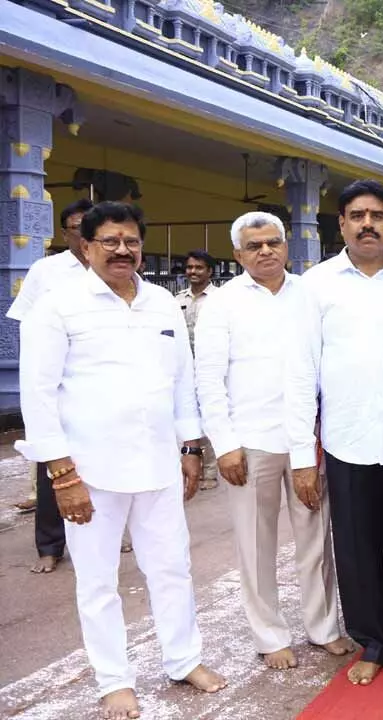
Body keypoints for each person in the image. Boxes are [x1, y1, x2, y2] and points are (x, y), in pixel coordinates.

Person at [16, 201, 226, 719]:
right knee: (97, 580)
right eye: (109, 241)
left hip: (157, 464)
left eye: (131, 240)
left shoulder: (159, 303)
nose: (122, 250)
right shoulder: (58, 305)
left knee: (172, 568)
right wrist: (61, 474)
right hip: (90, 472)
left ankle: (183, 659)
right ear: (85, 247)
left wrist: (190, 447)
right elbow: (37, 393)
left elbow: (180, 380)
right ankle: (114, 680)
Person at [284, 180, 383, 686]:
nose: (367, 223)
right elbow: (301, 373)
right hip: (347, 437)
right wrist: (303, 456)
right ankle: (371, 639)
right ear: (341, 223)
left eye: (376, 215)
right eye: (356, 215)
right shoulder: (316, 286)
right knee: (355, 545)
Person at [194, 211, 353, 670]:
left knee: (316, 539)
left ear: (286, 246)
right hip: (250, 442)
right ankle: (269, 636)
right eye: (254, 245)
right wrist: (223, 443)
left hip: (307, 438)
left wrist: (314, 440)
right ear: (238, 253)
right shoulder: (222, 304)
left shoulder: (310, 295)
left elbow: (321, 368)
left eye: (273, 242)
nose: (265, 251)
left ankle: (323, 628)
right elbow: (209, 379)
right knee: (255, 543)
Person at [7, 198, 92, 572]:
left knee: (101, 464)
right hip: (55, 384)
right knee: (53, 467)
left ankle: (102, 533)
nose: (87, 235)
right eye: (79, 228)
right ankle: (50, 545)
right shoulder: (47, 271)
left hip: (96, 383)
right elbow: (25, 322)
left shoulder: (114, 270)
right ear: (65, 233)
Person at [177, 249, 220, 489]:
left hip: (209, 368)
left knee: (208, 416)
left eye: (199, 268)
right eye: (190, 267)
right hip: (184, 369)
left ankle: (210, 473)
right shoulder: (178, 299)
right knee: (187, 416)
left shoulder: (219, 299)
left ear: (209, 271)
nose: (193, 272)